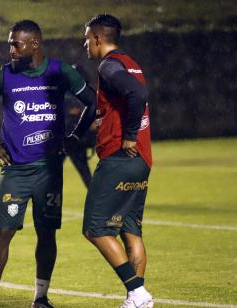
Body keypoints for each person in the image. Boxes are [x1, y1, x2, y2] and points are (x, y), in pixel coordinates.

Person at [0, 20, 96, 308]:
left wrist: (76, 136)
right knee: (4, 231)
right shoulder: (4, 75)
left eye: (16, 43)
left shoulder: (59, 71)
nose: (10, 49)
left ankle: (41, 297)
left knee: (47, 233)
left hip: (49, 171)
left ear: (34, 44)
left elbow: (93, 101)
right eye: (10, 43)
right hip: (15, 171)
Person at [82, 14, 154, 308]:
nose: (85, 44)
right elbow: (132, 96)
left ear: (98, 38)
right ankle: (135, 301)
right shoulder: (131, 62)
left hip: (119, 158)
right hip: (143, 160)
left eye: (86, 38)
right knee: (131, 230)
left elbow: (137, 94)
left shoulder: (109, 65)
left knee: (96, 228)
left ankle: (137, 292)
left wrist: (128, 136)